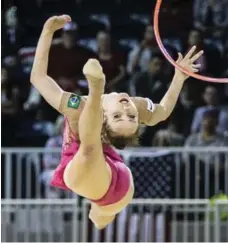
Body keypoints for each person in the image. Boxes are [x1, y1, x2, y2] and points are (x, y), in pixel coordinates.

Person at [30, 15, 203, 229]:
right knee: (102, 216)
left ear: (104, 121)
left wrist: (47, 32)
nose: (126, 110)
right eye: (131, 118)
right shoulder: (134, 104)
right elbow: (162, 112)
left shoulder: (78, 107)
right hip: (118, 177)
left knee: (89, 147)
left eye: (118, 116)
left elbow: (38, 78)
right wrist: (179, 77)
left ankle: (96, 88)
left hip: (85, 167)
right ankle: (100, 214)